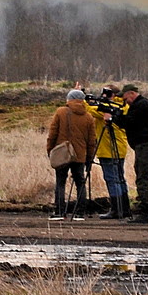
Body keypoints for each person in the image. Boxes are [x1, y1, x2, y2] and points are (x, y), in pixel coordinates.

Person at [45, 89, 97, 221]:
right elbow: (92, 141)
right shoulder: (89, 117)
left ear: (69, 99)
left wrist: (50, 150)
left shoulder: (61, 112)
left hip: (63, 153)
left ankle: (60, 212)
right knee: (80, 182)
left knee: (60, 182)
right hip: (80, 155)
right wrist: (89, 158)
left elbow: (52, 134)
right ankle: (80, 213)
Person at [117, 83, 148, 224]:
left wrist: (113, 118)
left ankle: (146, 211)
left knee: (143, 178)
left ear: (131, 93)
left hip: (145, 146)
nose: (125, 102)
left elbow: (129, 122)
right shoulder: (144, 105)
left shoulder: (140, 106)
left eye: (125, 98)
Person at [90, 85, 130, 219]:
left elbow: (88, 109)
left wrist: (79, 96)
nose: (103, 95)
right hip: (120, 148)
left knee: (112, 179)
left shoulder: (108, 110)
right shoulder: (124, 106)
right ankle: (125, 209)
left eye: (107, 93)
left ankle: (116, 209)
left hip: (108, 149)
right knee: (120, 178)